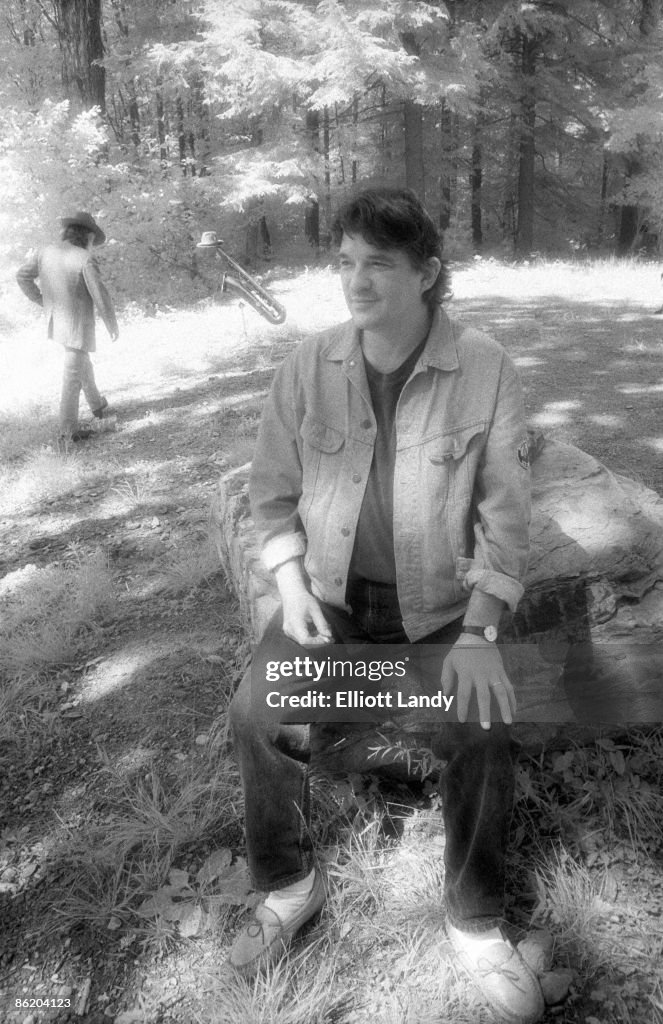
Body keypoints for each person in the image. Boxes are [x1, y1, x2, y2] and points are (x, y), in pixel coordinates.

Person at [228, 187, 542, 1023]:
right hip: (328, 601)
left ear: (426, 273)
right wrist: (289, 584)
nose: (354, 281)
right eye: (344, 263)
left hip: (440, 606)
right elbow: (269, 495)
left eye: (378, 264)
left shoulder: (484, 367)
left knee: (483, 724)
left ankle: (475, 923)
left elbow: (506, 519)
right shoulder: (308, 365)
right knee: (257, 713)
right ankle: (289, 884)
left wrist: (479, 629)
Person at [16, 211, 119, 442]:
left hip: (55, 321)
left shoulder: (45, 251)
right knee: (72, 374)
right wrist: (111, 323)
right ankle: (68, 430)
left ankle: (97, 405)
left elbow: (22, 276)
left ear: (68, 232)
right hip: (77, 325)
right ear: (87, 236)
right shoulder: (84, 258)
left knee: (80, 362)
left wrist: (41, 300)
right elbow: (100, 295)